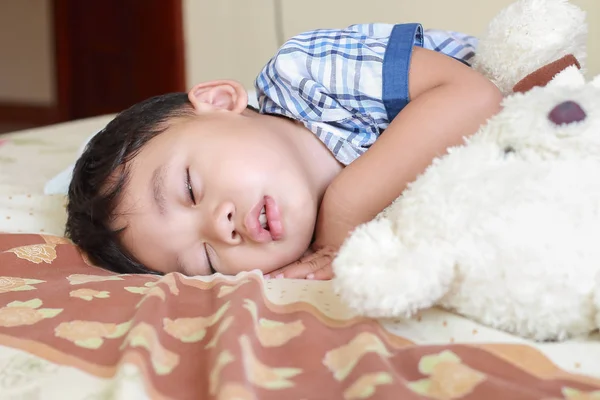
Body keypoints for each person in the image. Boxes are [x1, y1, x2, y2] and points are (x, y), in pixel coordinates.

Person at [65, 23, 502, 280]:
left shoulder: (304, 74)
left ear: (219, 103)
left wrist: (344, 211)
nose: (222, 228)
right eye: (207, 260)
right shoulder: (316, 252)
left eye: (190, 189)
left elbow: (474, 97)